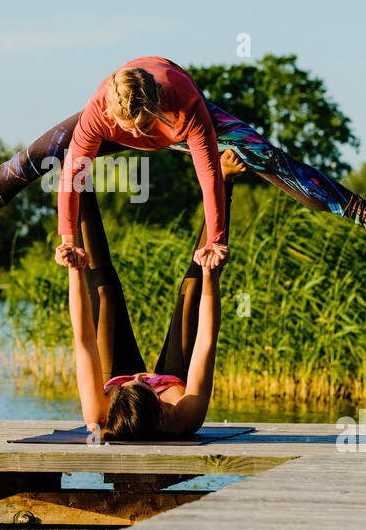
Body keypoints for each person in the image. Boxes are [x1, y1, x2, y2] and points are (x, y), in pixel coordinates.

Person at [0, 57, 366, 261]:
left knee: (264, 156)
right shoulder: (99, 113)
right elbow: (72, 175)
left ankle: (365, 216)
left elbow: (208, 173)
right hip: (112, 121)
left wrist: (216, 241)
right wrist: (67, 240)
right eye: (134, 130)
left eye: (147, 128)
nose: (142, 138)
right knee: (29, 160)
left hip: (188, 119)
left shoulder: (185, 102)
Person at [68, 151, 246, 441]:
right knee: (192, 293)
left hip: (118, 389)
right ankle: (224, 181)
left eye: (135, 381)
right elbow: (206, 340)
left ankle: (78, 178)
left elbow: (84, 340)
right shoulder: (186, 413)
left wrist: (75, 268)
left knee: (104, 294)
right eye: (146, 383)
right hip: (172, 382)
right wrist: (211, 273)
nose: (142, 375)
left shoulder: (98, 413)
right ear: (162, 410)